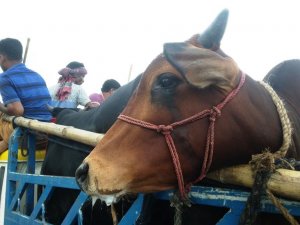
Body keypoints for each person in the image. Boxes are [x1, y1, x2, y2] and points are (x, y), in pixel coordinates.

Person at [0, 38, 52, 154]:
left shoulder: (4, 77)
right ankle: (5, 143)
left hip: (28, 135)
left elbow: (17, 110)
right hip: (47, 132)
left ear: (2, 57)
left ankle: (5, 143)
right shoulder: (37, 75)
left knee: (2, 115)